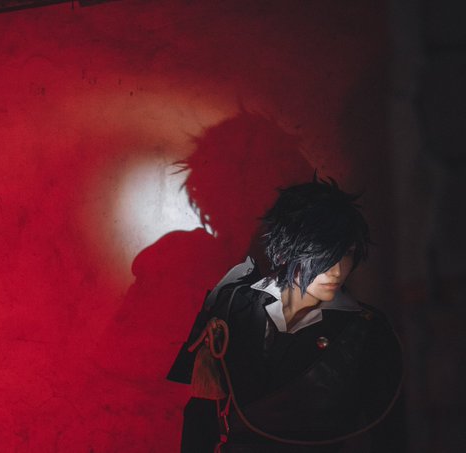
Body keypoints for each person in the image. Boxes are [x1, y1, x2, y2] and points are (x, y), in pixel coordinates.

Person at [168, 177, 404, 452]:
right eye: (324, 254)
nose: (338, 270)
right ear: (284, 251)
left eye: (348, 253)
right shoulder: (233, 303)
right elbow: (201, 414)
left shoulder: (368, 329)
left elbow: (391, 436)